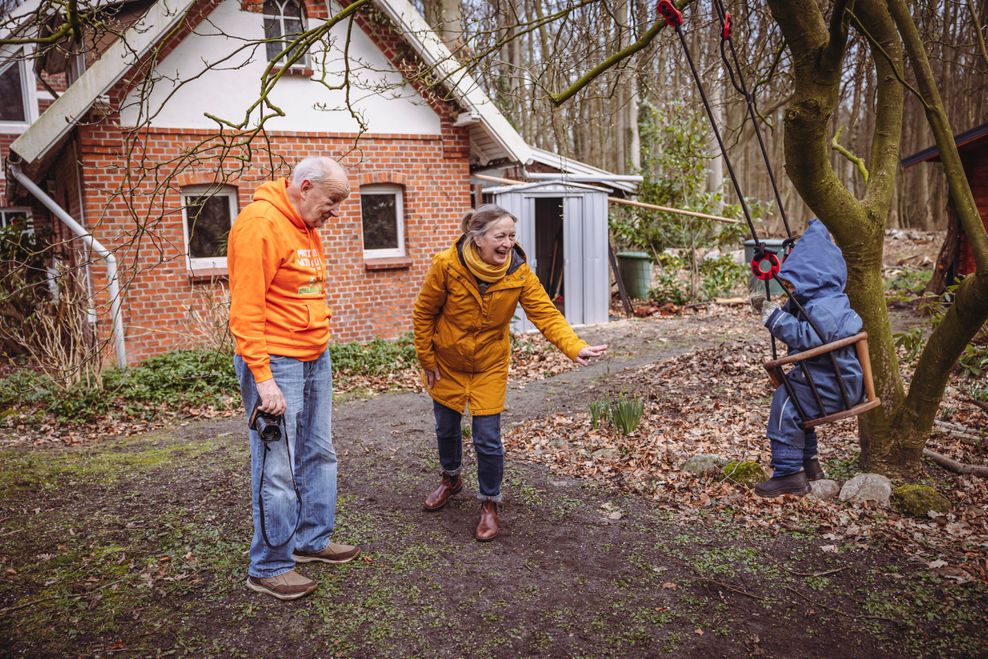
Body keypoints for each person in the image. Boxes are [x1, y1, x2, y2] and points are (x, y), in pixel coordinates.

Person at [412, 204, 608, 540]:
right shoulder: (447, 265)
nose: (507, 243)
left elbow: (545, 314)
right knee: (446, 428)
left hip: (489, 364)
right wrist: (428, 361)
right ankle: (451, 478)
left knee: (488, 439)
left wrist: (574, 346)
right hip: (447, 363)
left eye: (511, 236)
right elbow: (424, 313)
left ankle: (489, 502)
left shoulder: (518, 272)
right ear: (477, 239)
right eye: (499, 236)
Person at [229, 156, 360, 600]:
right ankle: (269, 565)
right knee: (278, 467)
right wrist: (263, 379)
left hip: (312, 357)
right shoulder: (260, 224)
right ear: (304, 186)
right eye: (331, 201)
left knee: (319, 452)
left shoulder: (304, 226)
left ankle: (311, 540)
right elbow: (245, 310)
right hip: (276, 362)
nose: (335, 211)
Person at [752, 219, 864, 497]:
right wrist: (783, 308)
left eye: (796, 280)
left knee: (785, 403)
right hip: (835, 381)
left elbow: (805, 335)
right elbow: (805, 317)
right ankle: (809, 465)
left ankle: (788, 473)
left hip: (833, 385)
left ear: (814, 275)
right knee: (798, 409)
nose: (792, 287)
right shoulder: (828, 300)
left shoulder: (825, 309)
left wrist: (773, 317)